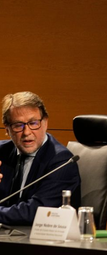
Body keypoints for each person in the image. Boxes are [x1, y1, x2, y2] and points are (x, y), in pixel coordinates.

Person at [0, 92, 81, 225]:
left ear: (45, 123)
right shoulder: (2, 153)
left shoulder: (62, 161)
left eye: (33, 123)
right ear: (7, 129)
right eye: (18, 125)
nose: (27, 132)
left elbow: (35, 212)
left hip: (44, 242)